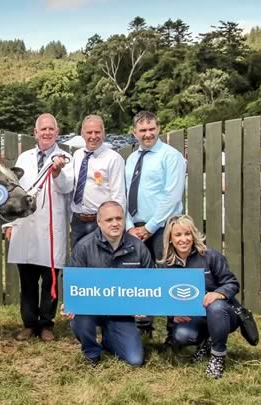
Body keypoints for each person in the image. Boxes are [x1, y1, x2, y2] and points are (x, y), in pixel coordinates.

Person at [5, 113, 73, 342]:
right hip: (25, 227)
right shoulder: (23, 158)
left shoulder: (65, 157)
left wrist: (57, 172)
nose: (46, 132)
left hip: (50, 229)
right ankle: (29, 323)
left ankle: (46, 324)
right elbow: (14, 193)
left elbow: (66, 187)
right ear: (35, 133)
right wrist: (11, 223)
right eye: (42, 129)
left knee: (50, 279)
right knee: (27, 280)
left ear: (57, 132)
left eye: (50, 129)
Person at [62, 201, 153, 366]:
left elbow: (151, 285)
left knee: (135, 360)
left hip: (122, 313)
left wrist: (144, 309)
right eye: (109, 219)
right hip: (92, 309)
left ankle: (110, 339)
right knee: (80, 317)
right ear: (98, 222)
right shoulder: (84, 247)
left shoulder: (138, 247)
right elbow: (73, 282)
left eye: (119, 218)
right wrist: (70, 302)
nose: (115, 223)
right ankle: (91, 352)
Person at [125, 111, 186, 335]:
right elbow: (125, 194)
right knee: (141, 277)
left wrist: (150, 227)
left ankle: (175, 331)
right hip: (136, 227)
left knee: (167, 275)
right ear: (135, 133)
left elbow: (172, 195)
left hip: (163, 226)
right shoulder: (131, 159)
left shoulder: (171, 156)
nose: (148, 134)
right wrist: (130, 226)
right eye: (143, 130)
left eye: (152, 129)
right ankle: (144, 326)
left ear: (158, 129)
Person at [160, 215, 240, 379]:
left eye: (187, 234)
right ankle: (208, 341)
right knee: (182, 335)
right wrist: (173, 314)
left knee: (215, 306)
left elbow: (232, 283)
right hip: (195, 316)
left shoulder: (210, 256)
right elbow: (163, 297)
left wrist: (219, 293)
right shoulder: (166, 264)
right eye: (178, 235)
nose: (183, 239)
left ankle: (217, 356)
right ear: (170, 239)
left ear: (193, 235)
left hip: (224, 313)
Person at [70, 115, 126, 248]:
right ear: (82, 134)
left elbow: (118, 195)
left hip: (101, 222)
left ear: (104, 133)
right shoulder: (77, 156)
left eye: (97, 132)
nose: (93, 136)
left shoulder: (114, 159)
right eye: (89, 132)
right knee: (78, 264)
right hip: (78, 221)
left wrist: (115, 223)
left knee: (101, 264)